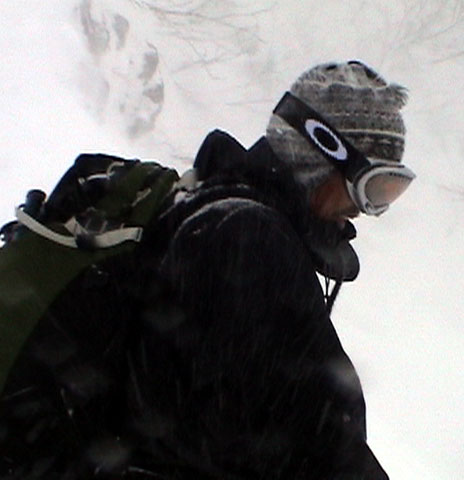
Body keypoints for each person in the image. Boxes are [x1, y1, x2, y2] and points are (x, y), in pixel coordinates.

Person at [0, 61, 414, 479]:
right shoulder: (248, 242)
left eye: (389, 191)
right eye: (372, 187)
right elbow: (314, 445)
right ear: (319, 154)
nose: (365, 211)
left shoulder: (210, 215)